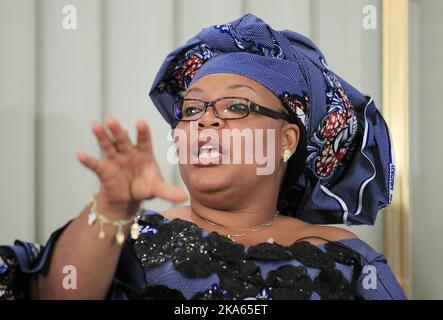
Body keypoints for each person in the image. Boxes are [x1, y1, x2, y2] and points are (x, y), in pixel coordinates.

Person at [0, 14, 405, 300]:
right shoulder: (127, 236)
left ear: (287, 140)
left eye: (236, 107)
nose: (205, 122)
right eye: (192, 110)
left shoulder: (350, 260)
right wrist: (113, 204)